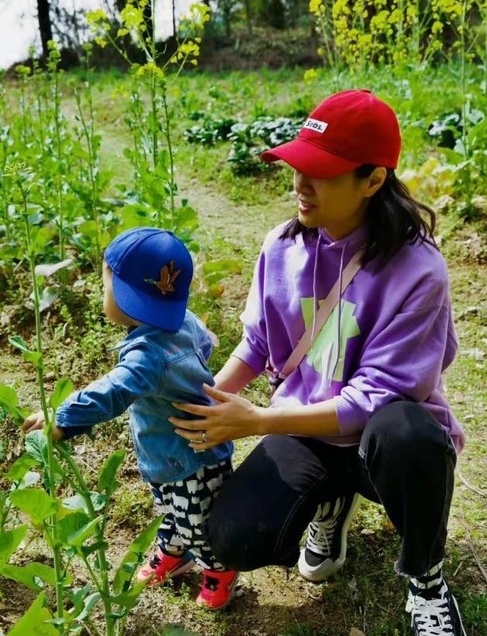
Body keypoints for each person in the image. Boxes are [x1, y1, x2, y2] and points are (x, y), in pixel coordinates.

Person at [169, 90, 467, 635]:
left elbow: (375, 397)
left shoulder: (418, 270)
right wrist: (206, 399)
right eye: (298, 167)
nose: (301, 185)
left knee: (410, 436)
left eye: (322, 173)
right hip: (307, 430)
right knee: (230, 536)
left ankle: (425, 577)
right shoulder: (280, 248)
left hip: (379, 437)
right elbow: (258, 344)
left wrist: (257, 420)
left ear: (373, 180)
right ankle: (329, 506)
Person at [22, 227, 239, 611]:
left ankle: (218, 571)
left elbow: (114, 391)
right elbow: (204, 341)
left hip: (190, 460)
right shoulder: (182, 320)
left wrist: (65, 417)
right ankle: (175, 553)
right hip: (170, 456)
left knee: (197, 522)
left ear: (122, 296)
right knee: (169, 510)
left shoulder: (147, 356)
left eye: (106, 285)